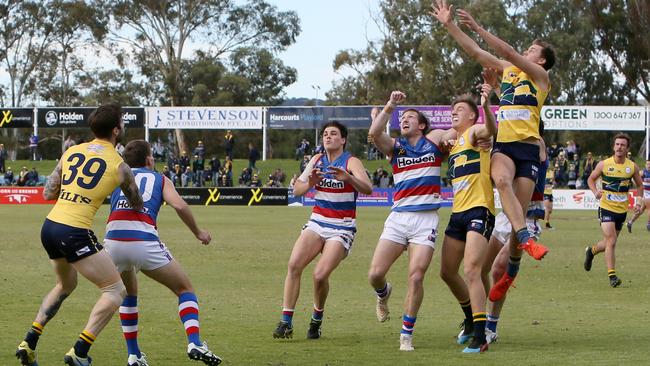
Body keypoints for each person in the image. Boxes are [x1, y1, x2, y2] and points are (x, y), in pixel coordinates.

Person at [433, 0, 553, 303]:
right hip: (504, 146)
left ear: (541, 62)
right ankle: (525, 239)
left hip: (527, 149)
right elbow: (475, 52)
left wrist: (479, 27)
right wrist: (451, 25)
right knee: (501, 182)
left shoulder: (541, 79)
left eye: (532, 51)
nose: (525, 52)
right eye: (527, 49)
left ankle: (512, 266)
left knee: (517, 221)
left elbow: (509, 52)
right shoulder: (507, 72)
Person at [15, 103, 143, 366]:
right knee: (115, 290)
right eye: (122, 122)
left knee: (66, 284)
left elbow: (48, 193)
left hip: (50, 227)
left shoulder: (71, 151)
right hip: (74, 231)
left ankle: (29, 341)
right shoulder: (120, 165)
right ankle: (80, 351)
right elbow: (137, 203)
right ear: (116, 130)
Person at [103, 140, 222, 366]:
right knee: (184, 289)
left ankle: (134, 355)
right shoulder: (160, 178)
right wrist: (198, 232)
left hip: (113, 243)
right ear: (149, 159)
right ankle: (195, 342)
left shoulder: (117, 176)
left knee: (128, 295)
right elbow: (179, 205)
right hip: (144, 242)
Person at [367, 90, 456, 351]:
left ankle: (406, 334)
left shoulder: (433, 140)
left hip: (425, 220)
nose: (404, 120)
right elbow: (374, 133)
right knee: (375, 274)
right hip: (398, 218)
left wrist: (454, 140)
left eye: (409, 117)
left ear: (422, 124)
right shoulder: (396, 147)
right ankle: (383, 294)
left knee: (416, 277)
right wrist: (391, 105)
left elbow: (455, 134)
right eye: (401, 117)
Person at [273, 121, 372, 341]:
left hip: (342, 227)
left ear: (343, 140)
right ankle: (285, 322)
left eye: (334, 134)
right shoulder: (317, 160)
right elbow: (297, 189)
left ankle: (316, 318)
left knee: (319, 275)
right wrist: (311, 182)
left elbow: (368, 188)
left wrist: (349, 178)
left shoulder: (351, 161)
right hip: (318, 221)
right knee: (294, 265)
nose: (328, 137)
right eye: (325, 134)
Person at [439, 82, 497, 353]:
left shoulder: (475, 132)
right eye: (452, 110)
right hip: (457, 214)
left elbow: (490, 130)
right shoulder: (454, 144)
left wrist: (486, 106)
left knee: (472, 270)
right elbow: (439, 137)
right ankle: (469, 318)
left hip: (479, 210)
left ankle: (480, 335)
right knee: (447, 272)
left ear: (472, 116)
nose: (454, 112)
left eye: (460, 110)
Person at [584, 133, 645, 287]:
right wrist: (595, 192)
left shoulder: (632, 167)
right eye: (617, 144)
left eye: (622, 145)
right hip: (606, 208)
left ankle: (591, 251)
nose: (619, 147)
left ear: (627, 149)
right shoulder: (604, 164)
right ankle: (612, 276)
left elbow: (640, 186)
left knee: (608, 243)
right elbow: (590, 179)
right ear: (613, 147)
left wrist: (638, 201)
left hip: (621, 211)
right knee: (611, 241)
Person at [627, 160, 650, 232]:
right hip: (646, 193)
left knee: (641, 210)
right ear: (645, 165)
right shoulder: (643, 172)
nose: (649, 165)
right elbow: (635, 179)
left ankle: (630, 222)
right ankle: (649, 224)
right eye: (647, 164)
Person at [543, 162, 555, 229]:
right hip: (545, 193)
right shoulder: (543, 172)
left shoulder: (552, 172)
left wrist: (552, 183)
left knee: (550, 210)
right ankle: (546, 224)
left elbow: (553, 181)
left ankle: (547, 222)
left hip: (550, 193)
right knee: (547, 209)